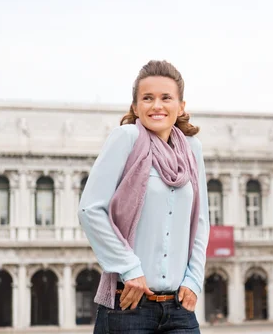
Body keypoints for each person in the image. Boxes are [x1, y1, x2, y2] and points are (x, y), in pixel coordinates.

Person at [78, 60, 210, 333]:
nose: (156, 106)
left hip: (178, 308)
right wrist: (129, 268)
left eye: (166, 98)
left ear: (181, 106)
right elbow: (90, 210)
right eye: (147, 98)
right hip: (129, 305)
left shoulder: (192, 149)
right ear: (136, 107)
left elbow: (200, 222)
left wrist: (194, 280)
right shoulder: (125, 138)